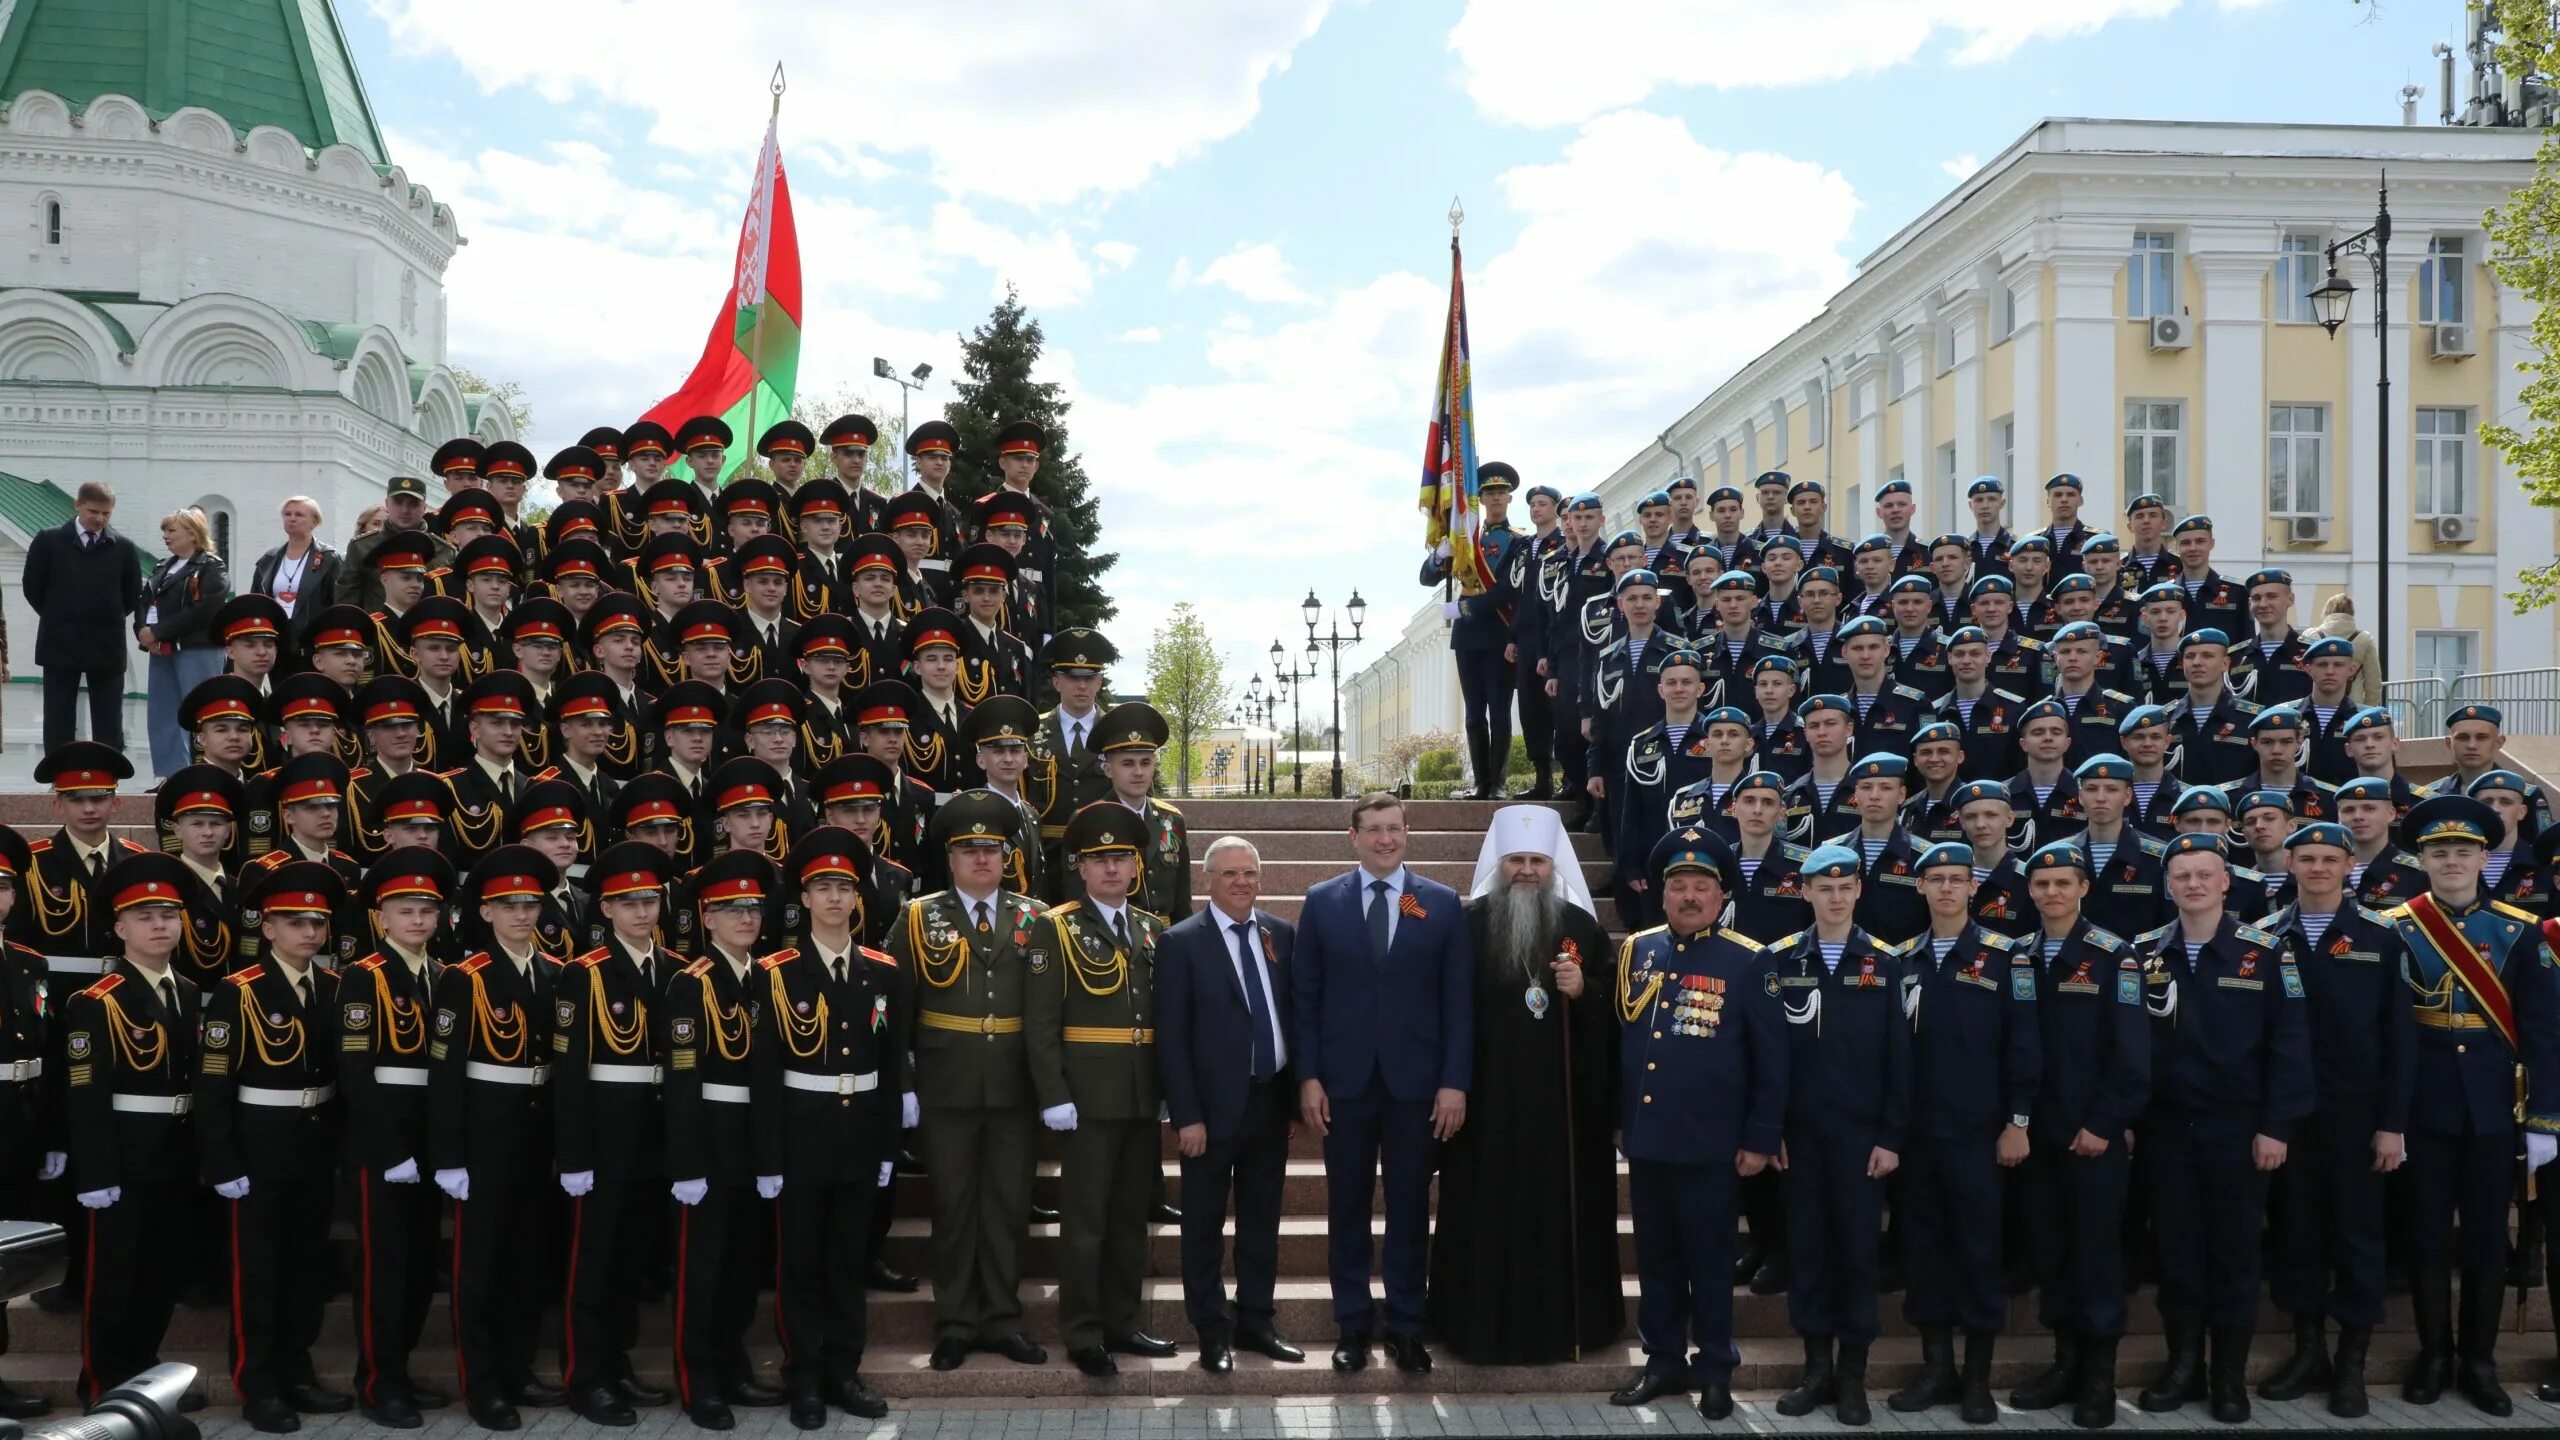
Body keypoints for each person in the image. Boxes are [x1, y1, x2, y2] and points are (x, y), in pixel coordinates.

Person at [2386, 794, 2560, 1417]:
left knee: (2488, 1241)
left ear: (2485, 857)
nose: (2452, 860)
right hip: (2422, 1110)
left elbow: (2543, 1030)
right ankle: (2435, 1355)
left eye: (2463, 850)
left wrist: (2545, 1117)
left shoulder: (2518, 930)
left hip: (2495, 1112)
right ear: (2421, 859)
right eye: (2439, 852)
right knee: (2428, 1238)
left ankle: (2480, 1362)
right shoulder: (2395, 926)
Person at [2133, 834, 2314, 1423]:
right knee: (2178, 1249)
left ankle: (2228, 1377)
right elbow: (2132, 1048)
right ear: (2167, 885)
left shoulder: (2265, 953)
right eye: (2181, 875)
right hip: (2168, 1130)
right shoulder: (2144, 954)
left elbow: (2289, 1047)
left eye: (2203, 875)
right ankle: (2183, 1365)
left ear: (2225, 882)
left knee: (2235, 1254)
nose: (2192, 884)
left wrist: (2277, 1127)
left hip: (2240, 1129)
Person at [1604, 825, 1783, 1421]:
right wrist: (1617, 1122)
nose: (1687, 895)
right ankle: (1662, 1362)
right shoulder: (1639, 949)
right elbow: (1623, 1046)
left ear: (1721, 894)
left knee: (1708, 1263)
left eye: (1700, 885)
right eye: (1677, 884)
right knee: (1656, 1259)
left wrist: (1761, 1138)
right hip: (1649, 1140)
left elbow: (1771, 1061)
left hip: (1713, 1144)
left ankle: (1715, 1370)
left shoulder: (1749, 960)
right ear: (1661, 893)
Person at [1290, 792, 1473, 1374]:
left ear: (1407, 832)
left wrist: (1454, 1082)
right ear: (1354, 836)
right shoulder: (1322, 902)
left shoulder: (1440, 904)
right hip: (1343, 1084)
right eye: (1374, 830)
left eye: (1394, 829)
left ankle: (1406, 1325)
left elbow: (1458, 1003)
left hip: (1417, 1086)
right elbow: (1305, 997)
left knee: (1410, 1206)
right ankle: (1352, 1325)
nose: (1385, 840)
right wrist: (1309, 1076)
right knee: (1347, 1206)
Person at [1430, 808, 1621, 1364]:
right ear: (1500, 862)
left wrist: (1585, 990)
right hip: (1485, 1108)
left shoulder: (1581, 929)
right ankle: (1475, 1328)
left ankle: (1565, 1329)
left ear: (1552, 864)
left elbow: (1616, 1012)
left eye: (1538, 860)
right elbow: (1450, 1011)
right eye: (1516, 859)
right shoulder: (1468, 925)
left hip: (1561, 1115)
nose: (1527, 870)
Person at [886, 792, 1050, 1372]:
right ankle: (954, 1323)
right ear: (950, 857)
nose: (981, 858)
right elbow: (897, 1007)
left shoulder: (1036, 917)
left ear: (1007, 856)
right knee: (953, 1208)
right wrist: (903, 1083)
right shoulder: (916, 916)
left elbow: (1048, 1009)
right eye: (968, 849)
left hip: (1014, 1086)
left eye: (992, 849)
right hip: (945, 1083)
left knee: (1008, 1207)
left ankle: (1003, 1321)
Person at [747, 829, 906, 1426]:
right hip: (800, 1135)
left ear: (858, 896)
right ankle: (804, 1375)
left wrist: (889, 1144)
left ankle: (845, 1369)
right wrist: (769, 1157)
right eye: (823, 888)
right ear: (805, 898)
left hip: (860, 1134)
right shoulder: (776, 971)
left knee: (848, 1259)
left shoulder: (883, 972)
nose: (835, 898)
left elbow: (892, 1068)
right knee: (801, 1263)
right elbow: (764, 1073)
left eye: (844, 887)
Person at [2256, 822, 2413, 1419]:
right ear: (2290, 864)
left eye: (2330, 859)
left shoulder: (2382, 936)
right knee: (2297, 1234)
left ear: (2350, 865)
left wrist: (2393, 1123)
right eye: (2307, 858)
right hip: (2291, 1117)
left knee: (2357, 1237)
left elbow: (2401, 1041)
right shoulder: (2266, 936)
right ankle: (2307, 1352)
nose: (2318, 868)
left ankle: (2351, 1363)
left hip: (2358, 1118)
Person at [1887, 842, 2040, 1426]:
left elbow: (2024, 1047)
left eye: (1958, 879)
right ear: (1920, 888)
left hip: (1981, 1135)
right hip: (1918, 1136)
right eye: (1936, 879)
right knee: (1923, 1251)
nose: (1947, 888)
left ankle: (1977, 1379)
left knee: (1977, 1253)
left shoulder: (2008, 957)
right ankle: (1937, 1370)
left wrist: (2018, 1121)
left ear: (1974, 888)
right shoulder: (1902, 959)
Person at [197, 860, 350, 1433]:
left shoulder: (334, 986)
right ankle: (258, 1383)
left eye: (317, 922)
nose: (309, 932)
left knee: (307, 1264)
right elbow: (212, 1084)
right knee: (257, 1269)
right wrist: (221, 1159)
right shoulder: (239, 992)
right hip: (257, 1146)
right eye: (294, 922)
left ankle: (297, 1369)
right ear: (268, 928)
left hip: (314, 1146)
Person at [1027, 803, 1178, 1377]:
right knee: (1086, 1220)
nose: (1113, 869)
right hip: (1086, 1098)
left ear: (1137, 866)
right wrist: (1053, 1094)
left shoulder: (1151, 927)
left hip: (1141, 1095)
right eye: (1101, 860)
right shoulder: (1056, 925)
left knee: (1128, 1218)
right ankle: (1084, 1330)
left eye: (1122, 858)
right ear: (1080, 868)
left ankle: (1122, 1319)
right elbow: (1041, 1022)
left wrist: (1166, 1086)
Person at [1764, 844, 1908, 1427]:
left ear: (1859, 893)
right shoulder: (1777, 960)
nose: (1836, 897)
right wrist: (1767, 1128)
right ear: (1805, 892)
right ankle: (1815, 1370)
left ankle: (1853, 1377)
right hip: (1798, 1138)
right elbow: (1767, 1055)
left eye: (1846, 887)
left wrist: (1892, 1136)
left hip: (1860, 1140)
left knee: (1855, 1254)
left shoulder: (1884, 962)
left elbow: (1900, 1059)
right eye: (1824, 887)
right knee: (1808, 1253)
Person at [428, 846, 569, 1432]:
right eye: (508, 905)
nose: (521, 915)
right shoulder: (465, 978)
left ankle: (518, 1368)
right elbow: (445, 1072)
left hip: (536, 1136)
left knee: (526, 1262)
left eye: (531, 904)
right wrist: (449, 1155)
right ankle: (482, 1381)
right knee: (480, 1268)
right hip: (484, 1138)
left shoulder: (557, 971)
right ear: (485, 913)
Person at [2009, 839, 2148, 1431]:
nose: (2051, 892)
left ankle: (2098, 1376)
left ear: (2084, 888)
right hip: (2035, 1136)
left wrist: (2104, 1124)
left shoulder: (2115, 956)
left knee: (2095, 1255)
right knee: (2050, 1251)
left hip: (2091, 1137)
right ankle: (2065, 1361)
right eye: (2041, 885)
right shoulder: (2017, 954)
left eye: (2063, 883)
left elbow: (2134, 1058)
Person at [1156, 836, 1304, 1373]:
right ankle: (1211, 1332)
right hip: (1209, 1112)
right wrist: (1185, 1115)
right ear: (1207, 880)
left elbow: (1292, 1016)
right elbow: (1171, 1039)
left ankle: (1257, 1322)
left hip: (1268, 1101)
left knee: (1262, 1221)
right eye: (1230, 874)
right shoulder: (1180, 942)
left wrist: (1292, 1100)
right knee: (1202, 1226)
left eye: (1250, 873)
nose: (1242, 882)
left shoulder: (1280, 934)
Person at [63, 851, 202, 1406]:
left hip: (176, 1153)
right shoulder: (95, 1001)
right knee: (115, 1278)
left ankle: (143, 1369)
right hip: (123, 1157)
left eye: (169, 914)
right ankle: (100, 1382)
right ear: (119, 927)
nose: (161, 925)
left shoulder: (188, 992)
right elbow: (85, 1094)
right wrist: (95, 1170)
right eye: (145, 916)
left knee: (162, 1272)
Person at [335, 849, 457, 1429]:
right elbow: (357, 1074)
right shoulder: (365, 975)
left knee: (415, 1266)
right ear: (381, 917)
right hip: (383, 1145)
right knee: (383, 1269)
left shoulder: (442, 976)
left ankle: (401, 1368)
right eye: (405, 911)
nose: (417, 921)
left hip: (429, 1140)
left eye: (426, 911)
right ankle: (378, 1381)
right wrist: (390, 1152)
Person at [1422, 462, 1523, 799]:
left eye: (1501, 493)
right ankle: (1479, 782)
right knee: (1474, 713)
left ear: (1509, 498)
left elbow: (1508, 590)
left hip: (1500, 629)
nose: (1495, 498)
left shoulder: (1518, 541)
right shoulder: (1465, 540)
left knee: (1499, 710)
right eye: (1489, 493)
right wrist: (1440, 555)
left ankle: (1498, 783)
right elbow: (1426, 578)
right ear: (1479, 499)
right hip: (1468, 637)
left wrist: (1462, 608)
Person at [24, 480, 142, 754]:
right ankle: (60, 776)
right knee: (58, 714)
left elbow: (131, 593)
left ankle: (107, 777)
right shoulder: (48, 541)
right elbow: (33, 587)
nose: (99, 519)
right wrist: (60, 615)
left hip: (106, 642)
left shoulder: (123, 548)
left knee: (109, 716)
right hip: (59, 641)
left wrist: (104, 617)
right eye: (93, 512)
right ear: (77, 505)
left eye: (106, 514)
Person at [138, 506, 233, 776]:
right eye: (164, 531)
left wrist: (160, 631)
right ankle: (172, 774)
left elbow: (206, 606)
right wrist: (144, 631)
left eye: (171, 530)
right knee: (163, 713)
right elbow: (144, 602)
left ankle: (206, 770)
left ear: (192, 533)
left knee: (202, 711)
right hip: (162, 651)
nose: (166, 536)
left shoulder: (211, 566)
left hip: (197, 648)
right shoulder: (162, 566)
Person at [338, 476, 453, 613]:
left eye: (413, 503)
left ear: (424, 507)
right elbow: (346, 601)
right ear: (387, 504)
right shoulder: (362, 546)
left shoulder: (443, 551)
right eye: (398, 502)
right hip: (377, 631)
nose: (405, 510)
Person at [252, 496, 343, 666]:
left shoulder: (329, 558)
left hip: (313, 644)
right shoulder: (268, 560)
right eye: (287, 514)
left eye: (299, 514)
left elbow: (337, 602)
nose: (292, 518)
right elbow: (256, 601)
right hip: (277, 643)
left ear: (314, 522)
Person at [2316, 593, 2385, 709]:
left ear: (2326, 611)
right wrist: (2367, 710)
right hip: (2353, 707)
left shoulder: (2310, 636)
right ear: (2351, 613)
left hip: (2317, 707)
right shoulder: (2364, 639)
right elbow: (2373, 683)